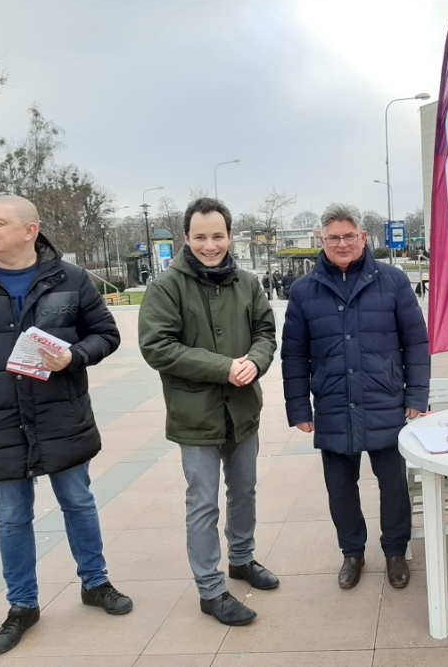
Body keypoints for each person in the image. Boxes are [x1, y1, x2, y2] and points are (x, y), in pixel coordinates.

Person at [0, 195, 133, 656]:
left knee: (79, 502)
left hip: (61, 414)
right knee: (12, 516)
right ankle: (22, 605)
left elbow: (106, 334)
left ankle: (96, 583)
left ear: (30, 231)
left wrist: (74, 356)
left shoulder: (69, 278)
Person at [138, 198, 278, 627]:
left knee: (245, 490)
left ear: (230, 236)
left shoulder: (248, 283)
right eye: (200, 237)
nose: (210, 245)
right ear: (186, 237)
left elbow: (265, 331)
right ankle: (210, 589)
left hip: (242, 409)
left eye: (218, 236)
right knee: (203, 502)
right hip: (195, 415)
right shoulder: (166, 287)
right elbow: (157, 346)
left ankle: (242, 558)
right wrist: (224, 368)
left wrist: (256, 360)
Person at [281, 203, 430, 590]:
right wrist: (298, 407)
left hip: (384, 400)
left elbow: (416, 342)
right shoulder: (304, 291)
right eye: (333, 237)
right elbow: (294, 354)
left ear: (364, 237)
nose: (342, 243)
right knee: (341, 488)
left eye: (349, 235)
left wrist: (416, 395)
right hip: (333, 402)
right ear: (322, 240)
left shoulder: (393, 281)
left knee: (393, 484)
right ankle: (352, 553)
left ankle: (395, 551)